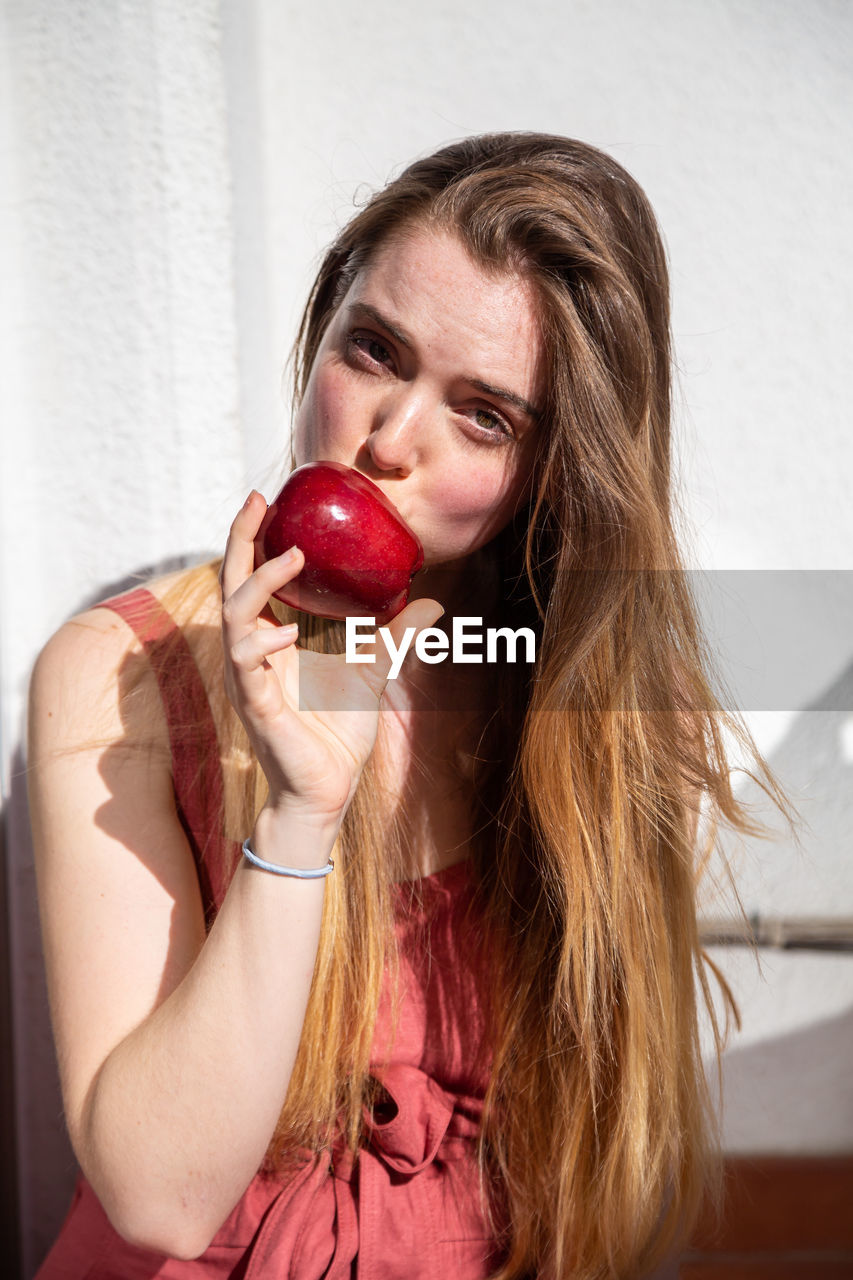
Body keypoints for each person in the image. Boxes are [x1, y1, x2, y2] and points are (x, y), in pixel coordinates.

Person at [27, 132, 790, 1280]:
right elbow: (157, 1196)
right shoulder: (122, 672)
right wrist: (299, 817)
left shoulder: (600, 718)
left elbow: (606, 1168)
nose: (388, 439)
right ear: (323, 321)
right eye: (374, 350)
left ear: (555, 467)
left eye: (483, 415)